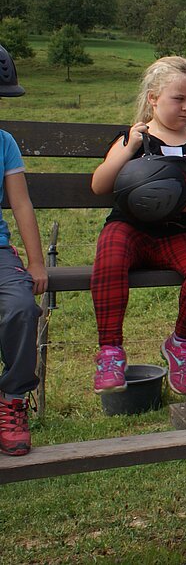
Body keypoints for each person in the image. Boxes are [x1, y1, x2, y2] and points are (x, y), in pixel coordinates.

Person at [90, 56, 186, 397]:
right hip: (129, 227)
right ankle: (110, 352)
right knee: (110, 257)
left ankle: (181, 342)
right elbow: (100, 185)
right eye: (179, 99)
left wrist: (183, 202)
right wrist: (129, 147)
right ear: (153, 98)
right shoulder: (136, 137)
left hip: (174, 232)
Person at [0, 44, 46, 456]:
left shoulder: (4, 143)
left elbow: (21, 203)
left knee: (21, 308)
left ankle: (13, 400)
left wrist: (34, 261)